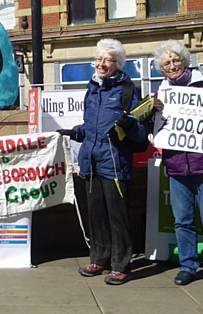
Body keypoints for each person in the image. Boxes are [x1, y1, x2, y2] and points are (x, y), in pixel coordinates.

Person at [57, 38, 148, 285]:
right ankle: (99, 258)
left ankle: (121, 265)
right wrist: (73, 132)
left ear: (118, 64)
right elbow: (90, 127)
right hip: (92, 162)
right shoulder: (92, 88)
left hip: (115, 163)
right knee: (95, 215)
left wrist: (128, 125)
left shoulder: (127, 90)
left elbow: (140, 135)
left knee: (117, 217)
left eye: (107, 60)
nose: (101, 63)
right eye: (98, 59)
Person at [151, 39, 203, 291]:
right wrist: (154, 114)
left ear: (185, 60)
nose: (172, 66)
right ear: (161, 69)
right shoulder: (161, 92)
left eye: (175, 60)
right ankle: (188, 266)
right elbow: (154, 127)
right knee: (182, 221)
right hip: (176, 166)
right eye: (166, 63)